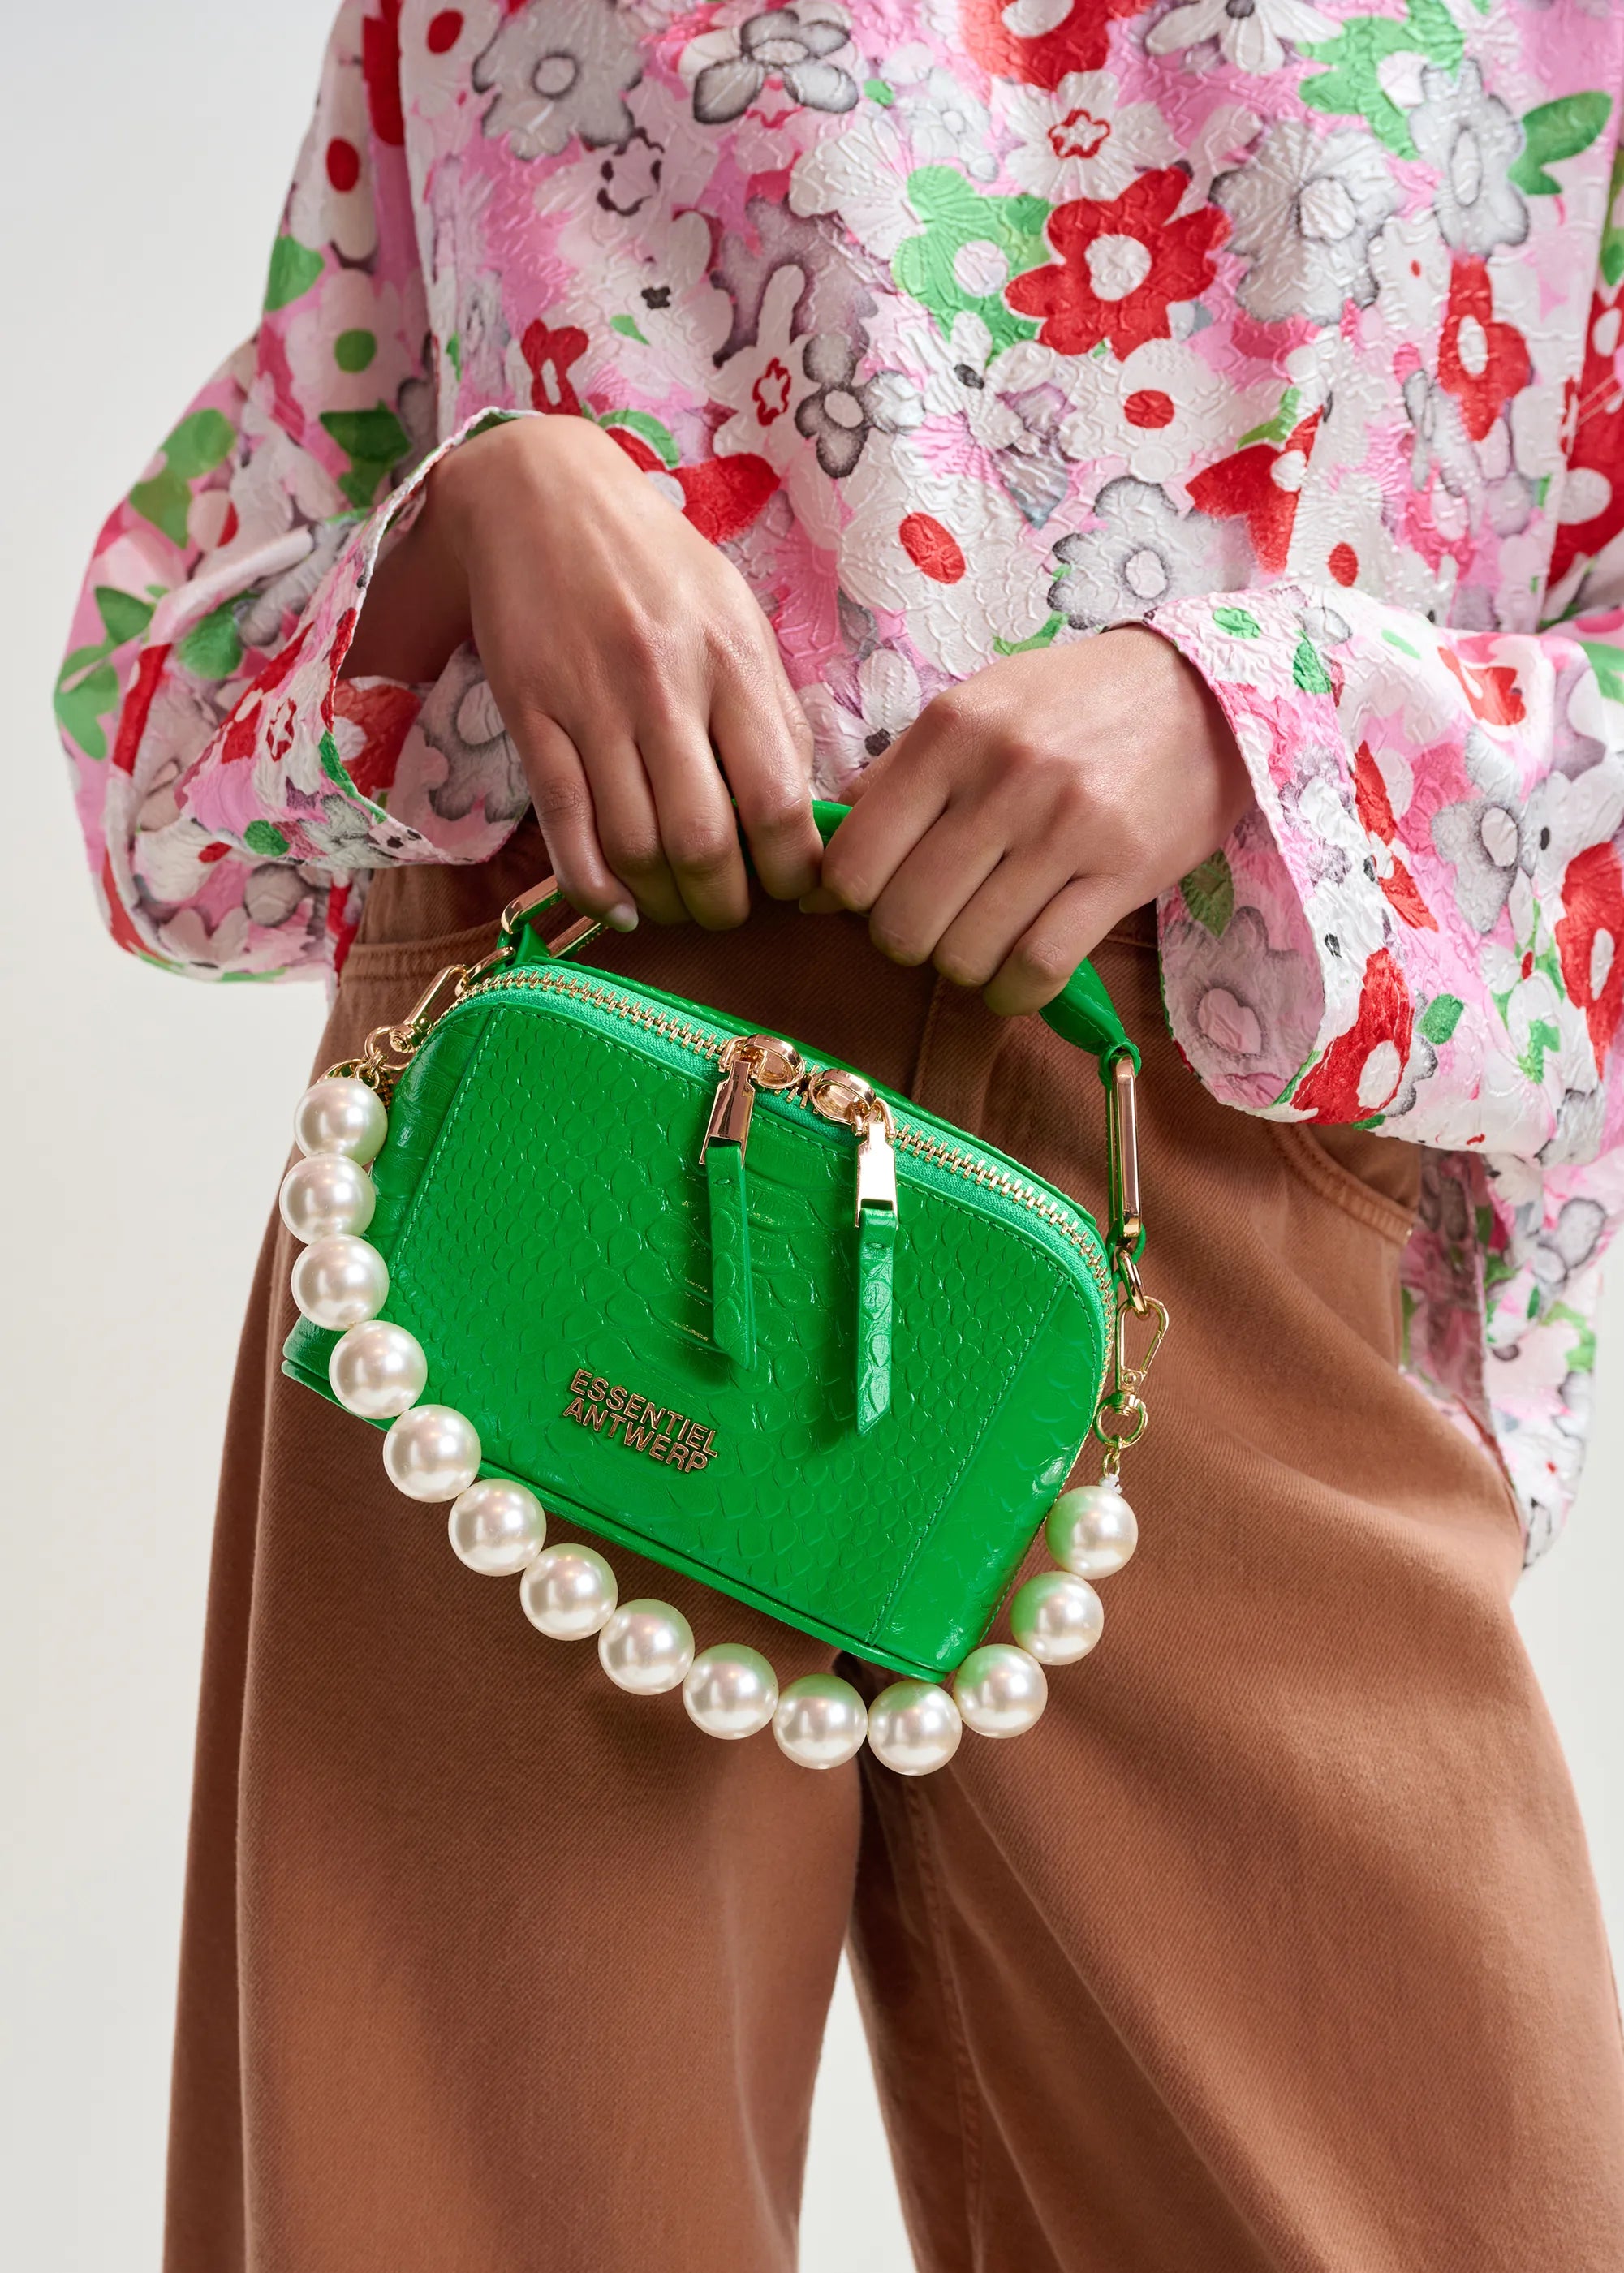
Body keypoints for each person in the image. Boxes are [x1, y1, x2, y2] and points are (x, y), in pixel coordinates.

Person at [58, 2, 1624, 2266]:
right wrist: (482, 509)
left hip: (1217, 1134)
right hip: (557, 1159)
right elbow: (155, 748)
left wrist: (1252, 720)